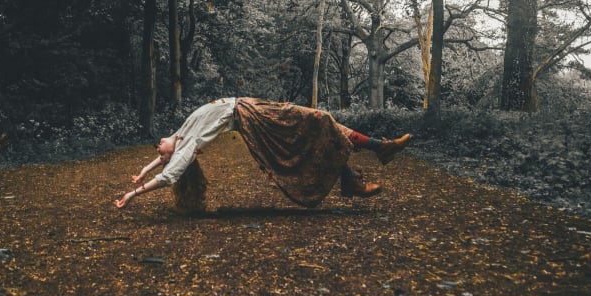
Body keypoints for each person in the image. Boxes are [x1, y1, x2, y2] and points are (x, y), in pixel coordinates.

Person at [114, 97, 411, 211]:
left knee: (326, 125)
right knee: (321, 120)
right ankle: (373, 153)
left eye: (159, 150)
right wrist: (134, 193)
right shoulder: (186, 147)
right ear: (174, 154)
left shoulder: (180, 133)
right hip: (252, 117)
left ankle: (374, 152)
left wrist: (142, 171)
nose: (158, 147)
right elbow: (169, 174)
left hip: (250, 106)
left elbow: (160, 162)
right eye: (161, 151)